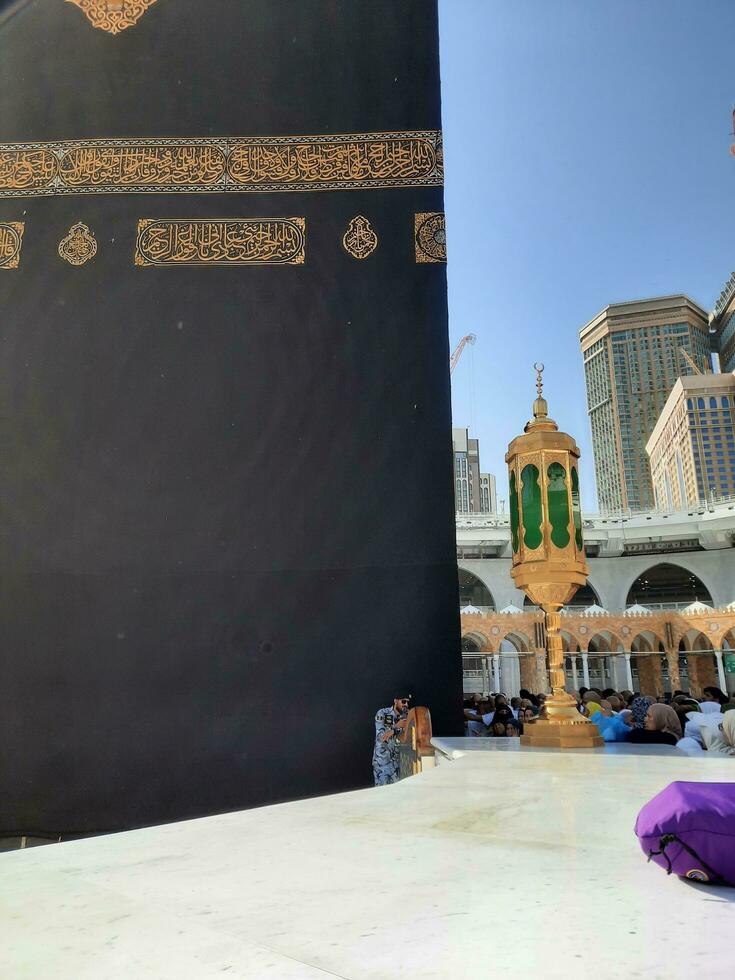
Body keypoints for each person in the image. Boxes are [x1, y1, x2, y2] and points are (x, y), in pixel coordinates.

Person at [372, 692, 411, 785]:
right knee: (382, 795)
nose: (406, 705)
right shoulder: (383, 713)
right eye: (404, 701)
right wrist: (396, 727)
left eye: (408, 702)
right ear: (395, 701)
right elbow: (381, 737)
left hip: (398, 765)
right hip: (382, 764)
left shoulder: (406, 717)